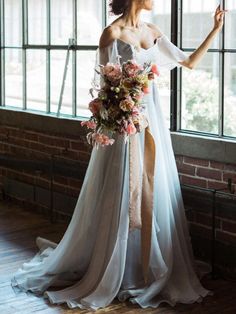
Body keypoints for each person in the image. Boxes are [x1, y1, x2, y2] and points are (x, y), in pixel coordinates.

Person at [11, 0, 227, 311]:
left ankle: (145, 265)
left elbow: (190, 62)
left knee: (152, 188)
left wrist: (215, 29)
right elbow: (102, 90)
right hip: (125, 128)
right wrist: (122, 112)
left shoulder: (153, 31)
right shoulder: (111, 34)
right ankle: (115, 267)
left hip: (152, 123)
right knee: (122, 191)